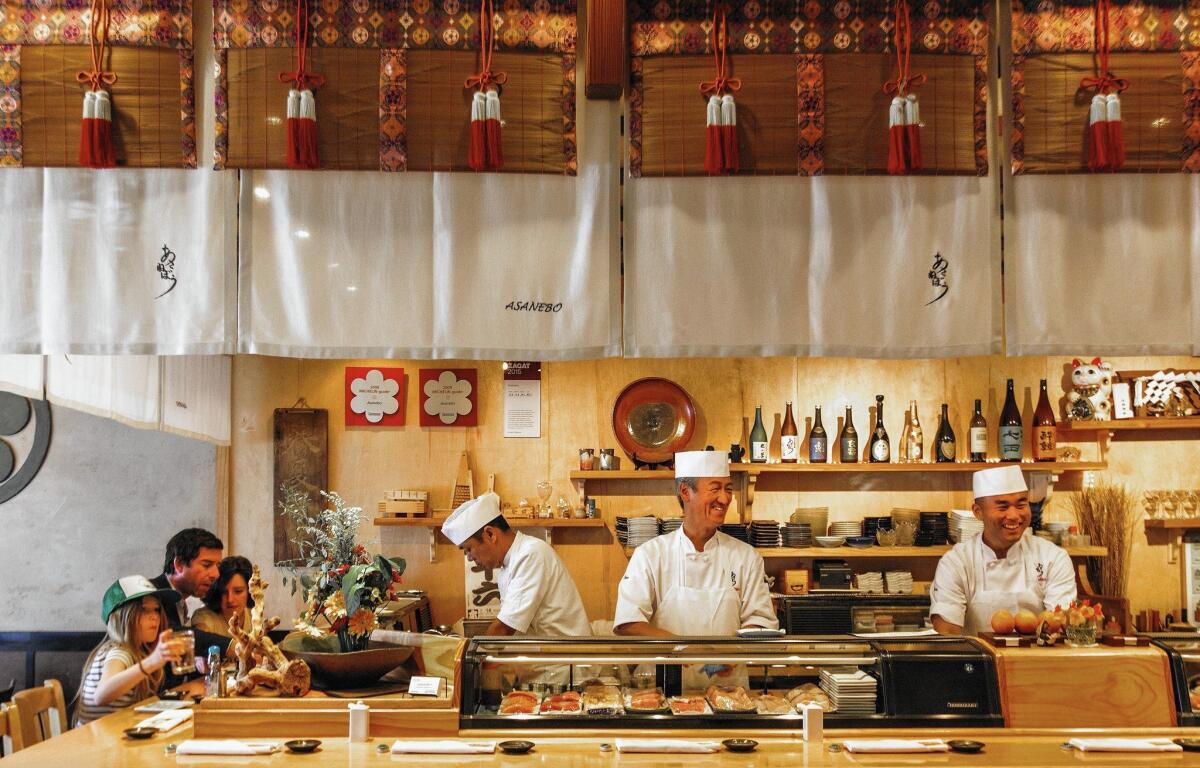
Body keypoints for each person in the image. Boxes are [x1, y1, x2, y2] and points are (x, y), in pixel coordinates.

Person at [613, 450, 778, 637]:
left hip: (729, 664)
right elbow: (628, 623)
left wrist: (730, 656)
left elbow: (761, 621)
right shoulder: (650, 555)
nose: (724, 499)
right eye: (715, 489)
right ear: (685, 491)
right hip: (669, 666)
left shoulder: (746, 557)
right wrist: (682, 650)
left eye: (729, 489)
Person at [930, 465, 1077, 636]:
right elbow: (947, 632)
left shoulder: (1052, 557)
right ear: (978, 512)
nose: (1014, 515)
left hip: (1039, 660)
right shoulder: (956, 563)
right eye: (1003, 506)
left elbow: (1060, 623)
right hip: (979, 661)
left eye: (1021, 504)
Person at [441, 492, 591, 637]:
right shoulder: (510, 562)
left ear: (490, 534)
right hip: (546, 656)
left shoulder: (531, 554)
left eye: (468, 549)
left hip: (565, 658)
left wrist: (474, 656)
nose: (469, 558)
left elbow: (504, 628)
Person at [74, 576, 189, 726]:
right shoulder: (119, 652)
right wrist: (152, 662)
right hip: (95, 742)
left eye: (156, 609)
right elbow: (101, 695)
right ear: (121, 618)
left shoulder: (133, 651)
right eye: (144, 610)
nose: (154, 617)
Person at [151, 528, 232, 682]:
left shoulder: (181, 602)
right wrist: (231, 646)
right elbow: (171, 631)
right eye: (207, 565)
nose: (216, 574)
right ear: (179, 564)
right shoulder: (150, 594)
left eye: (217, 566)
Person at [190, 556, 254, 638]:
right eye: (224, 592)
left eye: (238, 591)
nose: (230, 599)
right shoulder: (203, 619)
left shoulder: (253, 615)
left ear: (249, 591)